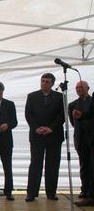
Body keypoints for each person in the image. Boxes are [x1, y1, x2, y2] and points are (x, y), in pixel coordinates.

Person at [25, 73, 64, 202]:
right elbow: (28, 114)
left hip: (54, 135)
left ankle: (51, 192)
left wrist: (51, 128)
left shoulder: (60, 97)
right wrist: (36, 127)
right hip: (37, 135)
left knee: (52, 164)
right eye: (43, 81)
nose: (44, 83)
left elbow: (62, 116)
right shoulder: (32, 96)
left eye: (47, 81)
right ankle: (31, 193)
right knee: (36, 164)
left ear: (52, 84)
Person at [68, 81, 94, 206]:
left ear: (87, 88)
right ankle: (85, 190)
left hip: (92, 137)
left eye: (81, 87)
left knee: (92, 166)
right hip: (81, 138)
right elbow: (73, 123)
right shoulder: (72, 105)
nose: (79, 89)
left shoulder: (92, 102)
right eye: (77, 87)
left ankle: (91, 193)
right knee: (84, 165)